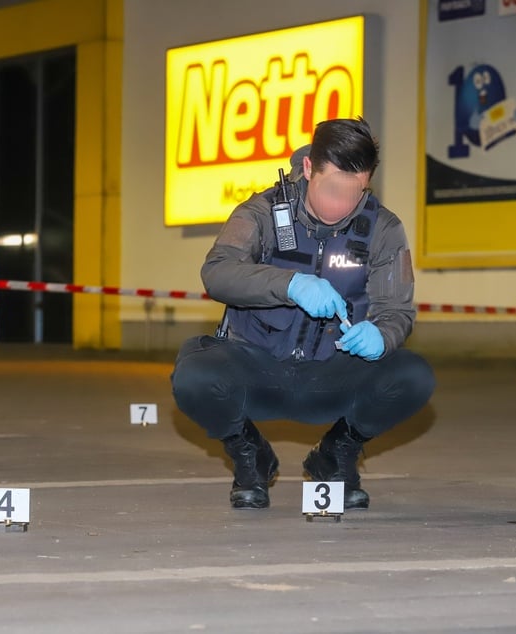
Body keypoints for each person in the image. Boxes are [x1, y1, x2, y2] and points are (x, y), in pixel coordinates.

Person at [171, 118, 435, 510]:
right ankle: (250, 455)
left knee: (414, 376)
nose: (341, 205)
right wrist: (289, 284)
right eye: (331, 189)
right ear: (309, 168)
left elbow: (397, 310)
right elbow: (217, 272)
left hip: (334, 370)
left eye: (355, 192)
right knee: (193, 375)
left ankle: (336, 454)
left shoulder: (383, 229)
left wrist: (383, 334)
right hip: (258, 366)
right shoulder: (260, 212)